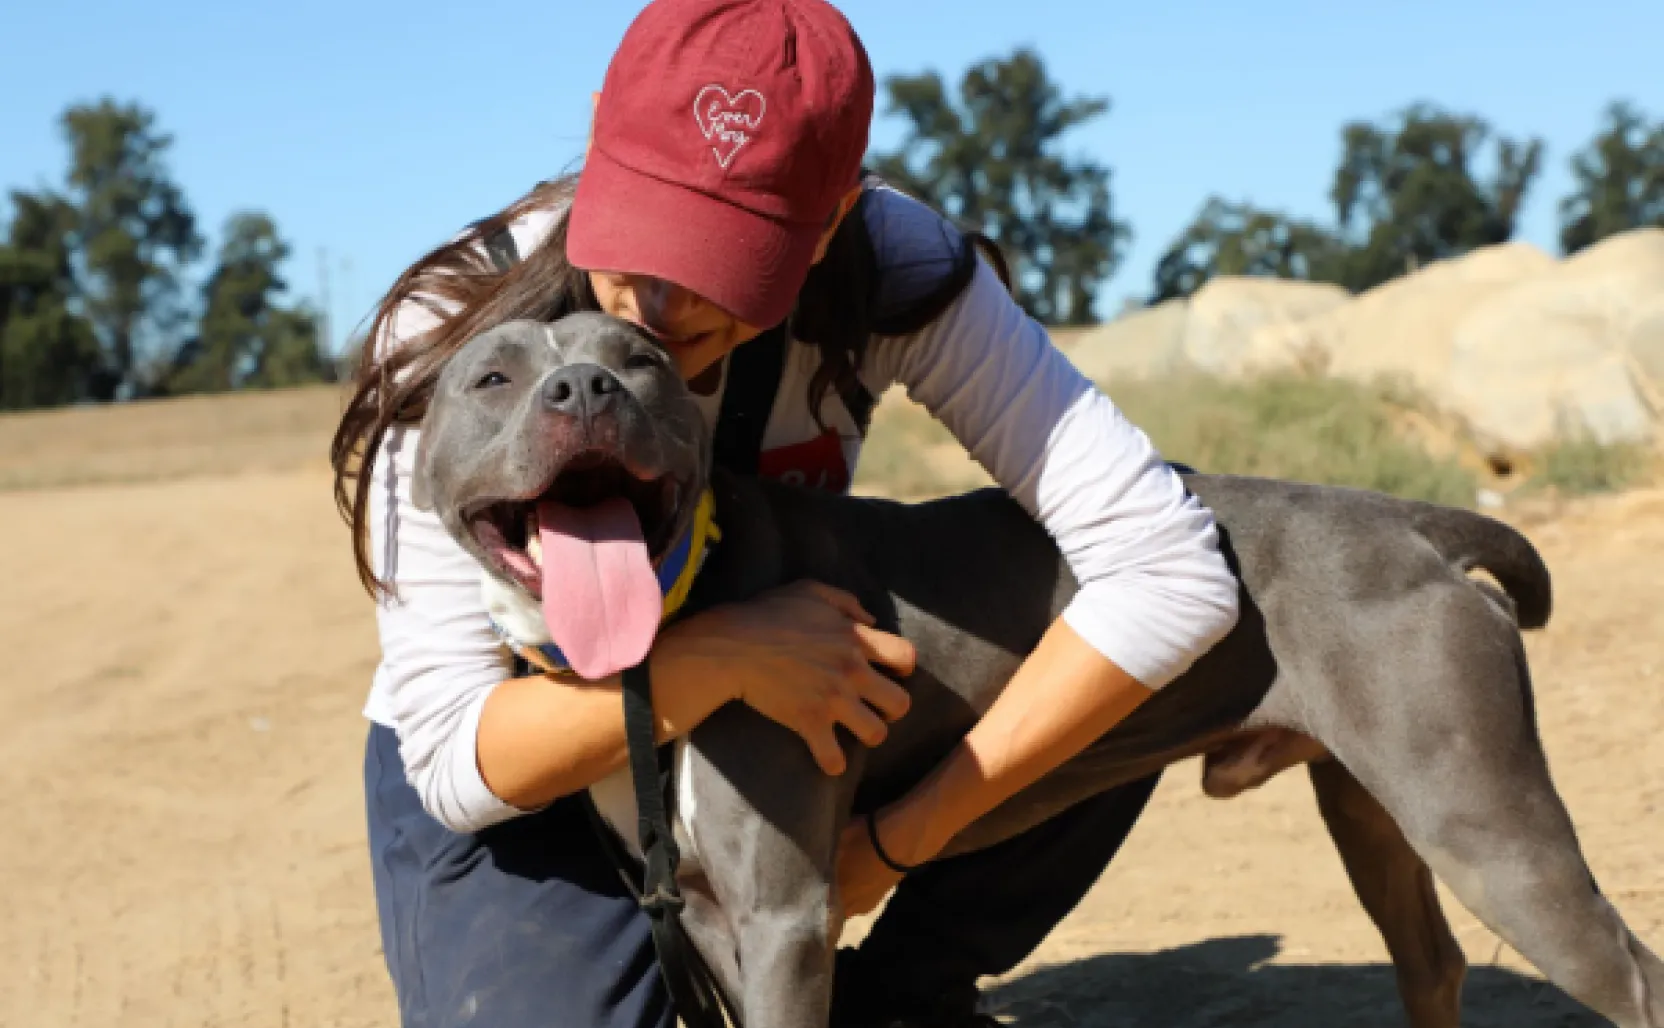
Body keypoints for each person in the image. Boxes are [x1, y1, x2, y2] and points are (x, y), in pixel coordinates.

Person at [330, 1, 1240, 1025]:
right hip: (527, 744)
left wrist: (898, 837)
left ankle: (896, 993)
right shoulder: (457, 315)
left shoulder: (894, 270)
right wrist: (715, 657)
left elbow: (1163, 564)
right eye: (646, 235)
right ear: (597, 131)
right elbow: (455, 761)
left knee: (1091, 644)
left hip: (790, 710)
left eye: (725, 260)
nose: (663, 312)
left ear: (834, 217)